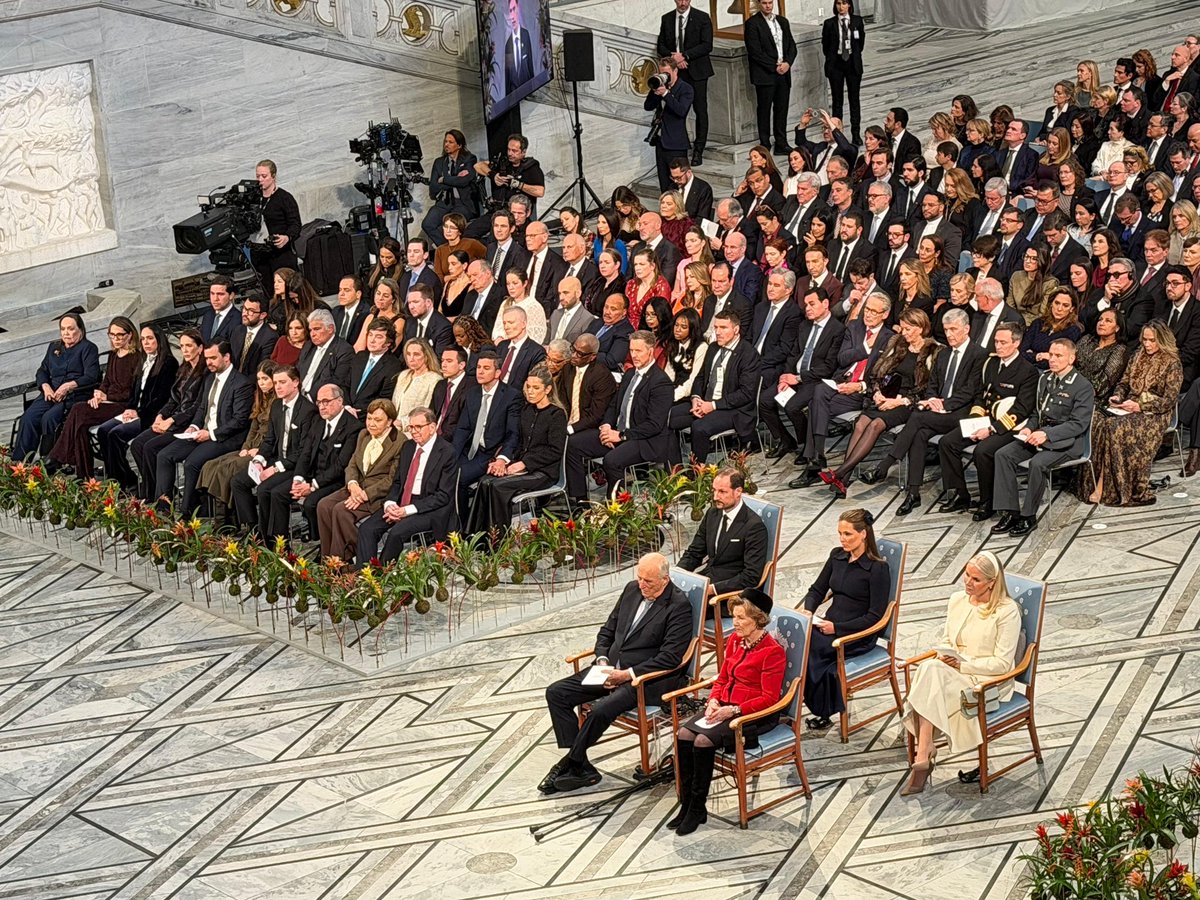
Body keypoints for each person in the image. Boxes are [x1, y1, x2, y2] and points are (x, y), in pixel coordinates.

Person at [541, 553, 692, 794]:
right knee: (556, 693)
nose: (642, 585)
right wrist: (602, 660)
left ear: (665, 580)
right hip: (609, 669)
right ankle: (580, 763)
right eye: (640, 578)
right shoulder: (632, 590)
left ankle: (571, 763)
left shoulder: (678, 605)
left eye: (648, 582)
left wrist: (627, 675)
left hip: (644, 680)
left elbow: (671, 657)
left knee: (601, 710)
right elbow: (607, 631)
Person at [900, 551, 1020, 794]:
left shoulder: (1007, 611)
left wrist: (963, 664)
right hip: (950, 673)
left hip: (986, 681)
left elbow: (1003, 664)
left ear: (992, 583)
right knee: (930, 667)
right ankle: (925, 750)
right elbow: (947, 640)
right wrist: (946, 656)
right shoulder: (957, 600)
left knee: (928, 671)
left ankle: (924, 752)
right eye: (966, 575)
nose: (967, 582)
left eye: (975, 579)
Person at [670, 587, 783, 834]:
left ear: (758, 619)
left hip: (751, 715)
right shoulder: (734, 640)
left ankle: (698, 808)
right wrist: (713, 700)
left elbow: (769, 698)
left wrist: (733, 710)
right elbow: (722, 679)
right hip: (723, 707)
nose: (736, 623)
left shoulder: (772, 652)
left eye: (742, 618)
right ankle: (686, 803)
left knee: (701, 740)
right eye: (735, 617)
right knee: (683, 734)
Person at [862, 309, 987, 514]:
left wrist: (943, 404)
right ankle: (913, 493)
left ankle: (886, 464)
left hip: (963, 412)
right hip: (937, 410)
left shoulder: (979, 354)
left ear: (967, 329)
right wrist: (931, 400)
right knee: (919, 434)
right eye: (946, 330)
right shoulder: (944, 352)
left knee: (917, 418)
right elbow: (933, 384)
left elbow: (970, 390)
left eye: (954, 329)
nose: (949, 334)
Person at [821, 308, 939, 497]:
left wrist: (897, 402)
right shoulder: (898, 343)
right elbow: (877, 373)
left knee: (875, 424)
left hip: (907, 403)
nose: (904, 333)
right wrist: (877, 393)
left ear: (920, 328)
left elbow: (927, 389)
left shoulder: (933, 351)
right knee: (860, 423)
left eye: (908, 329)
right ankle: (842, 480)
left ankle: (840, 473)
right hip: (886, 396)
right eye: (903, 328)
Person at [991, 338, 1096, 536]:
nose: (1052, 359)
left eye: (1058, 356)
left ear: (1071, 358)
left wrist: (1046, 433)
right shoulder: (1045, 379)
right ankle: (1011, 512)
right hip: (1038, 435)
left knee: (1038, 464)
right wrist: (1029, 429)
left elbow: (1078, 424)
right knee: (1003, 454)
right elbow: (1035, 413)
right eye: (1051, 355)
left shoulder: (1082, 386)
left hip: (1068, 442)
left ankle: (1028, 516)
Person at [800, 509, 890, 731]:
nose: (843, 539)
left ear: (863, 534)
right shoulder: (837, 556)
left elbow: (875, 617)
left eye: (848, 534)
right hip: (827, 626)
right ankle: (794, 704)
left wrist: (837, 628)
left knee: (805, 648)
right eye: (840, 533)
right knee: (792, 641)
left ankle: (818, 708)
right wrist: (809, 610)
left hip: (856, 634)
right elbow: (817, 589)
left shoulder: (877, 569)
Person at [938, 321, 1039, 516]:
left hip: (1009, 426)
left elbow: (1021, 410)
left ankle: (988, 501)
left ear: (1016, 343)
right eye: (996, 342)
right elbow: (981, 395)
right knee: (947, 442)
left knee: (983, 451)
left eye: (1003, 342)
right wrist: (976, 421)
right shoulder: (991, 363)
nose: (998, 346)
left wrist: (991, 429)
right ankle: (960, 494)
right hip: (985, 419)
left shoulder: (1028, 371)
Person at [565, 331, 673, 504]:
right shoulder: (630, 374)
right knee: (574, 444)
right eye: (632, 351)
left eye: (639, 351)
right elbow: (614, 405)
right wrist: (606, 425)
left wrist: (621, 435)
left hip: (645, 440)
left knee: (612, 461)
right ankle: (580, 501)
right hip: (618, 432)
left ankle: (617, 510)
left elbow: (654, 425)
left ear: (651, 351)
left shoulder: (661, 382)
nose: (634, 355)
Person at [1081, 321, 1182, 506]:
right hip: (1128, 405)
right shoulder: (1137, 356)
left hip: (1155, 412)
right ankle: (1092, 481)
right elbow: (1124, 383)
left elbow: (1169, 400)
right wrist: (1118, 397)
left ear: (1162, 340)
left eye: (1152, 340)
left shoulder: (1172, 364)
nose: (1148, 344)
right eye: (1145, 339)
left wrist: (1140, 406)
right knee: (1096, 420)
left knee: (1114, 427)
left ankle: (1108, 486)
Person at [152, 341, 255, 516]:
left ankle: (188, 512)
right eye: (207, 358)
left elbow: (239, 420)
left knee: (192, 463)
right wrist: (193, 426)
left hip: (225, 437)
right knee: (164, 455)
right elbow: (201, 408)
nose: (209, 362)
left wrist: (211, 434)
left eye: (213, 358)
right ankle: (163, 508)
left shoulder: (241, 383)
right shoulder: (209, 379)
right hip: (203, 432)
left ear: (227, 357)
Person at [466, 366, 567, 533]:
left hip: (543, 472)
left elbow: (554, 450)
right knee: (485, 481)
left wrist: (524, 464)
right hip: (521, 466)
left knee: (499, 487)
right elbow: (518, 441)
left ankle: (497, 540)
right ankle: (476, 537)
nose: (530, 392)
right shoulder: (526, 410)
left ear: (548, 389)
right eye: (528, 387)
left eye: (536, 388)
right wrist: (503, 462)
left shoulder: (556, 415)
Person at [356, 407, 459, 563]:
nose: (414, 431)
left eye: (419, 427)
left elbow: (443, 495)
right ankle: (364, 575)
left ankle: (380, 575)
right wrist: (390, 504)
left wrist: (406, 511)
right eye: (411, 427)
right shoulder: (408, 447)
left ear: (432, 427)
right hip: (402, 501)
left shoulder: (447, 452)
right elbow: (398, 481)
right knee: (367, 529)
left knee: (397, 533)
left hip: (428, 507)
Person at [229, 364, 318, 538]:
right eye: (276, 382)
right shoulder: (277, 406)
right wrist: (259, 460)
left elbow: (303, 452)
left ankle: (274, 540)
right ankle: (255, 530)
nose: (277, 386)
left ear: (296, 383)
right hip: (277, 459)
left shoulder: (308, 411)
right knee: (238, 481)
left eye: (282, 382)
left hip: (296, 466)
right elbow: (270, 439)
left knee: (266, 489)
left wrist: (275, 468)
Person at [48, 316, 141, 478]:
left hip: (123, 406)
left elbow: (132, 391)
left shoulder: (137, 358)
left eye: (120, 335)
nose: (116, 339)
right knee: (81, 427)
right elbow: (106, 382)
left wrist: (106, 396)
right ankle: (84, 477)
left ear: (130, 335)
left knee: (78, 408)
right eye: (112, 335)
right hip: (108, 401)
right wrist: (99, 393)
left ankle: (58, 456)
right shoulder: (114, 355)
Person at [667, 309, 762, 464]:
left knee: (699, 427)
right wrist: (696, 398)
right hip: (705, 402)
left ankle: (697, 472)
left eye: (723, 328)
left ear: (736, 330)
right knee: (666, 417)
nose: (718, 332)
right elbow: (700, 377)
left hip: (734, 409)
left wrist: (713, 405)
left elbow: (746, 394)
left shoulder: (748, 354)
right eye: (716, 327)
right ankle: (674, 469)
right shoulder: (713, 348)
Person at [316, 398, 403, 562]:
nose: (371, 424)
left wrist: (364, 494)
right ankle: (328, 559)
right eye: (369, 418)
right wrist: (353, 484)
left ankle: (343, 560)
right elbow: (352, 464)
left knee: (341, 511)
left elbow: (392, 479)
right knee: (324, 505)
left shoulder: (400, 442)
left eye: (378, 420)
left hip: (376, 495)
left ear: (390, 421)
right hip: (356, 487)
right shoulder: (363, 434)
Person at [130, 330, 207, 500]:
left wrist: (171, 420)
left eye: (189, 346)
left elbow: (196, 406)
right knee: (137, 444)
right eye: (182, 346)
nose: (185, 350)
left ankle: (161, 497)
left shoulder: (205, 373)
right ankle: (154, 491)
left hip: (185, 424)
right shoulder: (183, 368)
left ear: (200, 348)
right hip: (172, 419)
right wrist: (160, 416)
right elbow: (173, 399)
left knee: (151, 447)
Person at [14, 312, 101, 460]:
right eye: (63, 329)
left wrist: (69, 386)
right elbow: (42, 370)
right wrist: (45, 386)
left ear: (81, 329)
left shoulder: (88, 348)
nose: (66, 333)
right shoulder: (54, 347)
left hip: (74, 395)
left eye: (71, 329)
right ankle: (20, 464)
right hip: (50, 393)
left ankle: (49, 460)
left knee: (49, 418)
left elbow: (91, 376)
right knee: (28, 418)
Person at [198, 360, 278, 513]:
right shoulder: (259, 398)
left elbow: (272, 436)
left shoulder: (278, 402)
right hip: (251, 447)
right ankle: (224, 517)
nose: (261, 383)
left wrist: (258, 451)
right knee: (212, 465)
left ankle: (225, 519)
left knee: (228, 468)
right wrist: (246, 447)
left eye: (265, 379)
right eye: (259, 379)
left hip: (265, 452)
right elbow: (253, 428)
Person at [677, 468, 768, 601]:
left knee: (676, 609)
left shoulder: (754, 526)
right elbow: (695, 552)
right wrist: (678, 574)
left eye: (722, 492)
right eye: (714, 490)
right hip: (707, 579)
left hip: (731, 595)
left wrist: (713, 589)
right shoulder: (713, 514)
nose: (715, 497)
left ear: (738, 492)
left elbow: (751, 576)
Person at [289, 383, 363, 540]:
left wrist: (313, 485)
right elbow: (306, 453)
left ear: (339, 401)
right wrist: (299, 479)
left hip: (337, 480)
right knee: (277, 492)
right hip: (314, 475)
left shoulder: (353, 427)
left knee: (311, 503)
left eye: (326, 401)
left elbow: (341, 465)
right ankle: (279, 542)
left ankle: (323, 542)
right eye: (319, 402)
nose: (322, 407)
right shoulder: (318, 422)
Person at [657, 0, 714, 166]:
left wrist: (685, 56)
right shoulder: (666, 18)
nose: (683, 2)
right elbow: (661, 45)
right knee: (674, 108)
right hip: (676, 73)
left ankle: (698, 150)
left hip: (697, 71)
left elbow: (707, 45)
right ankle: (680, 146)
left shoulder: (702, 17)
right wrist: (674, 57)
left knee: (700, 110)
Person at [743, 0, 796, 154]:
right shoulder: (752, 24)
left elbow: (791, 45)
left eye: (770, 2)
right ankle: (765, 143)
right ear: (759, 4)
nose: (768, 6)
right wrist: (775, 66)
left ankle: (781, 142)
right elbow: (755, 52)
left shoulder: (782, 21)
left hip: (784, 73)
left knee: (782, 108)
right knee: (764, 109)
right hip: (766, 74)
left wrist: (787, 63)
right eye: (764, 3)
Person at [251, 160, 302, 294]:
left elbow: (296, 224)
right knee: (268, 291)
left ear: (273, 176)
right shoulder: (253, 199)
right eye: (257, 176)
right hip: (260, 253)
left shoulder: (284, 198)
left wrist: (287, 237)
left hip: (281, 253)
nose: (260, 180)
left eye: (264, 176)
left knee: (288, 289)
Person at [644, 57, 694, 192]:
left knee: (679, 185)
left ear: (675, 71)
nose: (664, 76)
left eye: (666, 73)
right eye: (661, 73)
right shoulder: (661, 87)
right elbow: (648, 106)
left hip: (676, 144)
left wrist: (666, 94)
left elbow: (681, 110)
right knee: (664, 184)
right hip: (661, 143)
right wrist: (654, 89)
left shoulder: (685, 89)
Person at [422, 130, 479, 245]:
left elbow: (464, 181)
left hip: (463, 203)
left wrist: (444, 179)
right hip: (444, 202)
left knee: (450, 225)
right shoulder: (439, 162)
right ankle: (447, 249)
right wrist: (455, 179)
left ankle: (453, 250)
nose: (446, 144)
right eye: (445, 141)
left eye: (450, 142)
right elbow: (433, 188)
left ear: (459, 145)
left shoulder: (469, 159)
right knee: (427, 224)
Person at [820, 0, 865, 145]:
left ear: (849, 5)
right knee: (837, 100)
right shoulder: (829, 23)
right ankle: (837, 134)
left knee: (854, 100)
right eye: (839, 3)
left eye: (844, 3)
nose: (841, 6)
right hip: (836, 64)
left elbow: (861, 43)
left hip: (852, 63)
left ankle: (856, 134)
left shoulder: (857, 21)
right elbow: (826, 47)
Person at [1075, 308, 1130, 400]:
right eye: (1100, 319)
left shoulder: (1120, 350)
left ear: (1117, 328)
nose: (1101, 323)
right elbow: (1069, 361)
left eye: (1108, 321)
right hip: (1068, 388)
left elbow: (1103, 385)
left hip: (1092, 398)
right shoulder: (1087, 339)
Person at [1021, 288, 1084, 368]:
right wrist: (1040, 355)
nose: (1059, 309)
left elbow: (1058, 361)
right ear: (1051, 304)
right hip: (1026, 367)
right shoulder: (1038, 323)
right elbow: (1021, 352)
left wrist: (1032, 354)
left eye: (1065, 305)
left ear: (1072, 309)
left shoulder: (1073, 330)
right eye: (1057, 303)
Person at [389, 338, 443, 429]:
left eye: (416, 354)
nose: (411, 359)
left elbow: (427, 410)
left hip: (414, 429)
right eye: (408, 354)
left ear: (426, 356)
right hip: (394, 427)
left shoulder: (434, 379)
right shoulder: (403, 375)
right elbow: (393, 403)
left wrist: (403, 422)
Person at [493, 268, 548, 344]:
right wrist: (499, 339)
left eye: (515, 283)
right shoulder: (505, 304)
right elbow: (498, 328)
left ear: (525, 283)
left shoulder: (534, 306)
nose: (511, 287)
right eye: (508, 284)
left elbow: (536, 336)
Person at [433, 214, 487, 283]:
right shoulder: (440, 250)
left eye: (452, 228)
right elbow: (439, 277)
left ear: (459, 231)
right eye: (446, 227)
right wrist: (455, 276)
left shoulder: (471, 243)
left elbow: (489, 257)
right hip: (450, 288)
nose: (448, 231)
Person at [438, 249, 474, 318]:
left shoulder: (471, 285)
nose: (449, 268)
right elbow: (440, 310)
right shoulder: (448, 284)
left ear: (464, 265)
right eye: (449, 264)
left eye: (453, 264)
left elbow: (467, 314)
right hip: (444, 327)